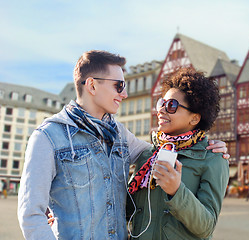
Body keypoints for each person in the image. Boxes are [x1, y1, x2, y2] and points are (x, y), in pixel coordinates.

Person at [18, 50, 228, 240]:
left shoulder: (120, 135)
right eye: (118, 86)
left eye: (171, 105)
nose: (125, 94)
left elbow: (157, 153)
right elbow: (30, 214)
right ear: (92, 85)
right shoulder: (48, 137)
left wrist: (210, 145)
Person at [127, 67, 229, 239]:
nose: (161, 110)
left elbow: (207, 227)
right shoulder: (148, 155)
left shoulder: (213, 158)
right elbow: (128, 211)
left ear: (194, 118)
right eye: (161, 103)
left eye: (171, 105)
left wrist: (176, 191)